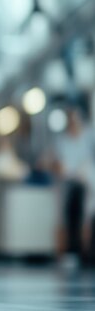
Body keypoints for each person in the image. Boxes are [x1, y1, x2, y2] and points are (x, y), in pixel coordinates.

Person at [53, 107, 95, 268]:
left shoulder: (88, 137)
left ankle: (86, 251)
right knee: (71, 213)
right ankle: (73, 251)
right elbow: (59, 164)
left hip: (87, 181)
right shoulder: (62, 141)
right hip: (70, 183)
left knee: (87, 215)